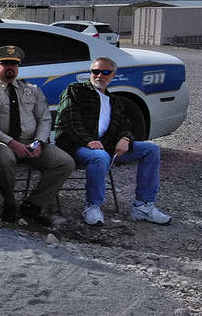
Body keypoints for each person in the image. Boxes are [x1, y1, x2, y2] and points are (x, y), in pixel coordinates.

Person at [54, 56, 170, 227]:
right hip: (76, 146)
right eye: (95, 71)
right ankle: (92, 206)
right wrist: (88, 141)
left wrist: (125, 139)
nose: (99, 75)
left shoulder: (114, 101)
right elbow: (68, 121)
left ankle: (143, 206)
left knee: (151, 149)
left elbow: (125, 125)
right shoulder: (76, 90)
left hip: (106, 146)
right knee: (100, 157)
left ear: (113, 75)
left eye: (105, 72)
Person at [0, 45, 75, 225]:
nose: (10, 67)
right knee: (5, 159)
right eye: (5, 63)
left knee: (65, 162)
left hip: (32, 142)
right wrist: (12, 143)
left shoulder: (32, 89)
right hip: (3, 143)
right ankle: (9, 203)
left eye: (14, 64)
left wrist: (39, 141)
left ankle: (33, 205)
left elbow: (44, 119)